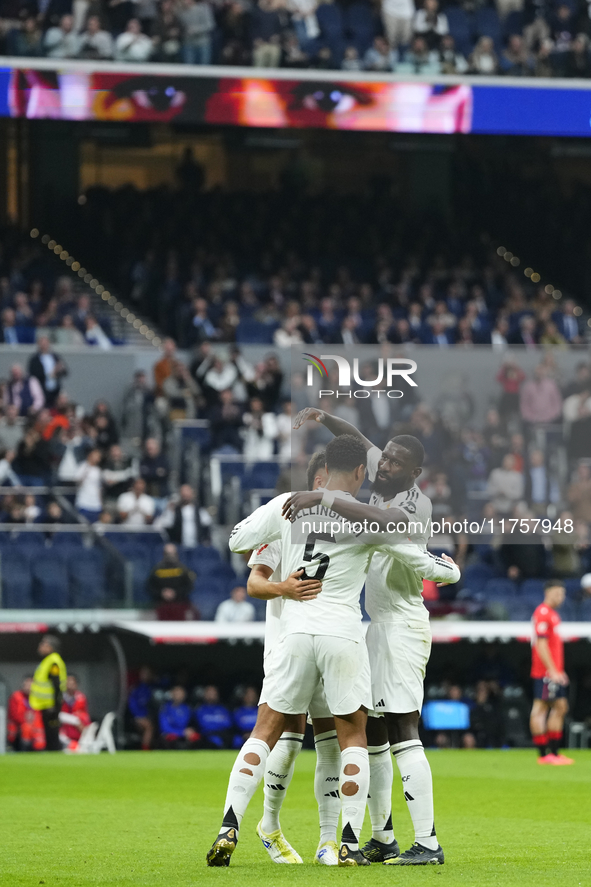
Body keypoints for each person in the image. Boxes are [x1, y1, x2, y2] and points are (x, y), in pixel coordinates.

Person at [207, 435, 460, 867]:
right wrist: (449, 568)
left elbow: (236, 541)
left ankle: (230, 824)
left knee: (266, 732)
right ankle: (346, 841)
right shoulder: (367, 521)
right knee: (352, 739)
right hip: (342, 635)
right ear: (360, 472)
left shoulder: (290, 503)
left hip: (295, 631)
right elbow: (419, 562)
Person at [289, 408, 448, 865]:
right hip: (376, 626)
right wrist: (325, 417)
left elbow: (381, 523)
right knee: (374, 730)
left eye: (396, 463)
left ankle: (429, 844)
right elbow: (358, 439)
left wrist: (323, 499)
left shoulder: (416, 505)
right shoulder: (382, 474)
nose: (385, 464)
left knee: (403, 729)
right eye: (385, 459)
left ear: (413, 473)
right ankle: (382, 837)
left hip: (403, 624)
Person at [244, 451, 341, 865]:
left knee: (332, 734)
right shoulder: (281, 518)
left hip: (329, 640)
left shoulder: (343, 525)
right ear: (319, 479)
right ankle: (269, 824)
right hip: (286, 642)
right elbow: (254, 581)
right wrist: (284, 587)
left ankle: (328, 840)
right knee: (286, 733)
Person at [530, 581, 574, 766]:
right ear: (548, 592)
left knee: (559, 707)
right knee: (541, 708)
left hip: (551, 671)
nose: (561, 598)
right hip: (545, 672)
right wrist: (553, 671)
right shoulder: (543, 613)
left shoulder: (553, 614)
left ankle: (553, 753)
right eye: (558, 593)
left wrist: (559, 670)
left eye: (562, 594)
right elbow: (541, 644)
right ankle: (545, 754)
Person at [29, 635, 67, 752]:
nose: (40, 646)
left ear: (51, 647)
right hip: (45, 704)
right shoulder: (47, 661)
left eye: (43, 644)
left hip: (51, 705)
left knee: (52, 733)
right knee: (48, 733)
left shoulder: (53, 662)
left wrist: (55, 705)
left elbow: (56, 685)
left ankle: (56, 755)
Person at [148, 542, 196, 620]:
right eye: (167, 553)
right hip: (161, 605)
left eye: (172, 553)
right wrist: (162, 593)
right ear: (164, 554)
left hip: (180, 605)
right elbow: (150, 586)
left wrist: (175, 593)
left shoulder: (183, 569)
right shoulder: (156, 570)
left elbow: (189, 586)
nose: (170, 556)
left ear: (176, 554)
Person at [28, 336, 68, 408]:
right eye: (42, 343)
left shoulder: (55, 356)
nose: (44, 345)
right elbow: (33, 374)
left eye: (46, 343)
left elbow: (65, 371)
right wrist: (50, 374)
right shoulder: (35, 359)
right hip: (41, 389)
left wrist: (60, 370)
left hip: (55, 390)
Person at [7, 677, 45, 752]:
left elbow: (40, 714)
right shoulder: (16, 696)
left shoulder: (38, 698)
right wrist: (25, 721)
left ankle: (39, 750)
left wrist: (33, 723)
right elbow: (13, 714)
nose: (28, 688)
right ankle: (24, 750)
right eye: (27, 685)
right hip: (20, 725)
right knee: (26, 728)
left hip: (34, 725)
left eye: (31, 685)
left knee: (39, 728)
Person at [59, 675, 91, 749]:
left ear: (76, 684)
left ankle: (84, 740)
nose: (70, 685)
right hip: (62, 719)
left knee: (79, 720)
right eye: (68, 683)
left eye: (72, 683)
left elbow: (82, 712)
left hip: (75, 721)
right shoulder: (61, 697)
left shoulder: (81, 696)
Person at [128, 666, 155, 750]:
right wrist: (138, 717)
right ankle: (145, 749)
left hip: (148, 715)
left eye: (147, 673)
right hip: (137, 717)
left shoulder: (150, 687)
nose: (145, 676)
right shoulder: (136, 688)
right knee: (149, 727)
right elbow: (132, 704)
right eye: (143, 673)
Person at [75, 449, 103, 521]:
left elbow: (99, 487)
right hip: (84, 501)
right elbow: (77, 481)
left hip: (96, 503)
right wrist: (86, 472)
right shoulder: (82, 466)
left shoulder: (98, 470)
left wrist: (100, 502)